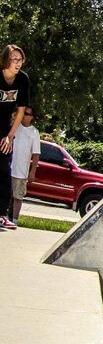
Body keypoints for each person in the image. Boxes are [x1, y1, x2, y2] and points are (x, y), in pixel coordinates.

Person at [0, 44, 29, 230]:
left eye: (20, 59)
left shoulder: (23, 80)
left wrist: (10, 136)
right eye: (14, 59)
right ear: (5, 60)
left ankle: (2, 214)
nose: (18, 63)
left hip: (5, 128)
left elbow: (21, 111)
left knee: (3, 170)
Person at [10, 104, 40, 225]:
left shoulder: (34, 132)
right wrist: (13, 118)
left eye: (27, 114)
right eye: (23, 113)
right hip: (9, 167)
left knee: (18, 196)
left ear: (31, 117)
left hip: (21, 171)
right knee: (6, 194)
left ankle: (14, 220)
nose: (24, 116)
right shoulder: (15, 126)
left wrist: (32, 172)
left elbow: (36, 153)